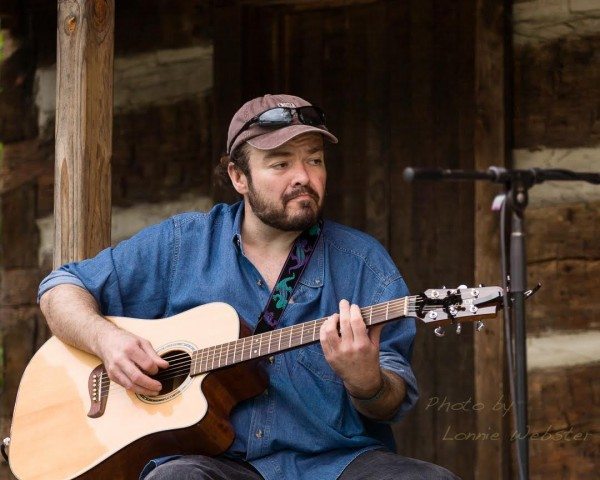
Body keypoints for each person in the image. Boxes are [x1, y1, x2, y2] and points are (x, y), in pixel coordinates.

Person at [38, 94, 459, 479]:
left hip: (334, 463)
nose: (304, 176)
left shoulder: (364, 263)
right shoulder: (182, 244)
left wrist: (368, 382)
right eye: (280, 163)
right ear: (239, 177)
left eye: (314, 160)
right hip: (212, 463)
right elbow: (60, 288)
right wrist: (108, 341)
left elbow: (392, 400)